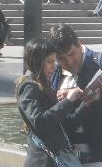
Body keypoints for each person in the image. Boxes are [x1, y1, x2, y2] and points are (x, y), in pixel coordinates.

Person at [49, 24, 102, 166]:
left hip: (100, 154)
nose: (68, 62)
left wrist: (94, 99)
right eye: (61, 58)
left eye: (71, 54)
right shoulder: (56, 72)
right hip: (65, 156)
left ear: (79, 44)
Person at [15, 39, 86, 167]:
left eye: (55, 61)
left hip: (53, 159)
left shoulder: (45, 86)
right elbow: (40, 122)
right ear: (38, 62)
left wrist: (86, 103)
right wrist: (68, 101)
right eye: (50, 61)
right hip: (42, 160)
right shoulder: (28, 86)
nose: (55, 66)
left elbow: (66, 124)